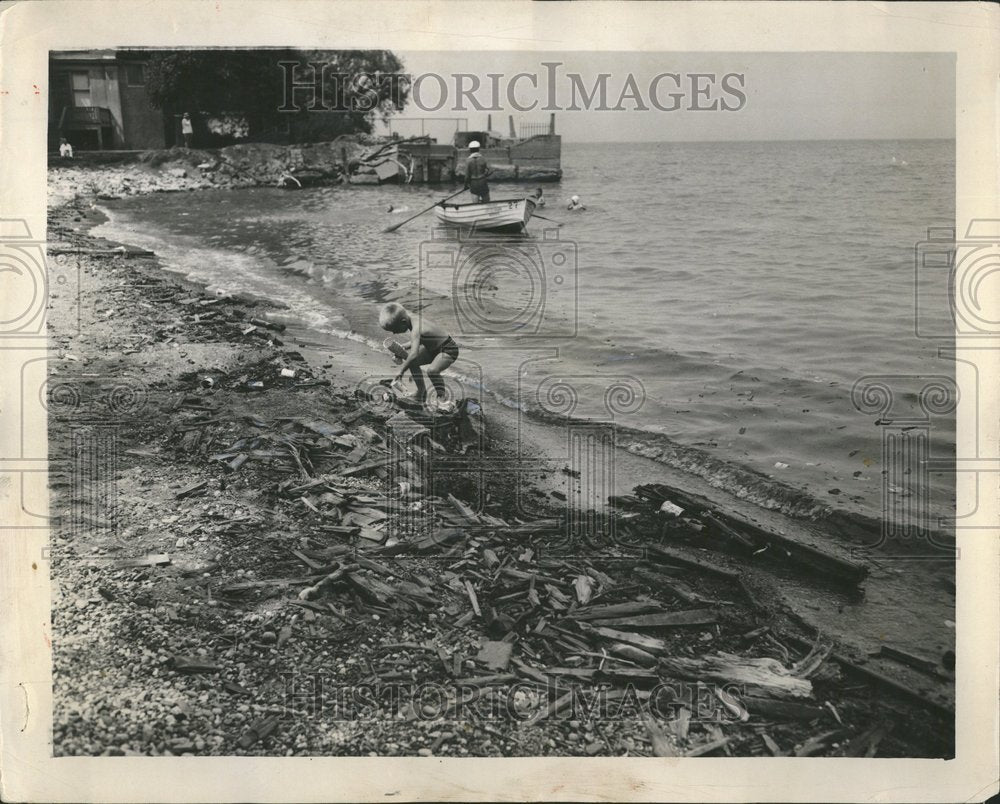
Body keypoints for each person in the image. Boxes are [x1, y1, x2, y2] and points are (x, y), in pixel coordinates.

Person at [379, 302, 459, 411]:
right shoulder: (412, 320)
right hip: (433, 349)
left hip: (448, 349)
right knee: (413, 362)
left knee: (432, 370)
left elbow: (414, 353)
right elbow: (417, 340)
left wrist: (401, 371)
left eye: (395, 329)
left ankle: (442, 398)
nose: (394, 333)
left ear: (403, 322)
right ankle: (421, 392)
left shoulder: (416, 328)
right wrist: (402, 347)